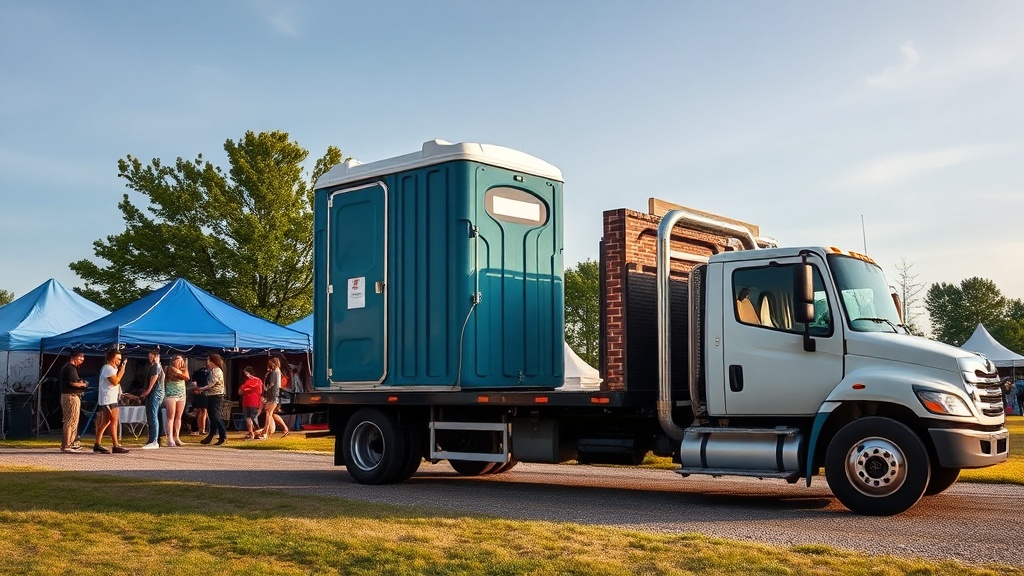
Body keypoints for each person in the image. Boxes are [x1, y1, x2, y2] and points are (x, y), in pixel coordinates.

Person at [94, 348, 129, 454]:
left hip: (111, 398)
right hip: (109, 399)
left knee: (107, 421)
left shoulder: (109, 369)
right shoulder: (108, 369)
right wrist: (123, 369)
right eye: (118, 359)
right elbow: (115, 381)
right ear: (113, 358)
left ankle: (97, 443)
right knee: (113, 422)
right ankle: (115, 445)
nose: (119, 362)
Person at [58, 350, 88, 453]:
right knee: (70, 421)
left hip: (70, 396)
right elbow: (74, 383)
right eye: (80, 357)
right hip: (70, 396)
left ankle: (70, 443)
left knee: (73, 421)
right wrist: (84, 384)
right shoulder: (70, 368)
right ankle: (67, 445)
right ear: (74, 358)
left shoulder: (71, 368)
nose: (82, 360)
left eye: (83, 358)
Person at [197, 353, 228, 445]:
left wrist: (200, 389)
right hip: (211, 395)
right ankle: (211, 435)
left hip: (216, 396)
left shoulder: (216, 371)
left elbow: (211, 384)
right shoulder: (213, 370)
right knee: (212, 416)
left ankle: (223, 435)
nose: (207, 362)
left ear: (212, 361)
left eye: (208, 360)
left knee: (215, 416)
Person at [139, 347, 166, 449]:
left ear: (156, 357)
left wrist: (148, 391)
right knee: (152, 415)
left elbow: (154, 378)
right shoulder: (156, 366)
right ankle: (152, 440)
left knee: (153, 415)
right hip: (155, 393)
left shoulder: (156, 366)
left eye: (151, 356)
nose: (150, 358)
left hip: (155, 393)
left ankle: (154, 440)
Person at [257, 357, 289, 439]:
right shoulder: (278, 372)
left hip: (272, 396)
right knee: (272, 413)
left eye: (270, 363)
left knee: (269, 413)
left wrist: (266, 389)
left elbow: (271, 384)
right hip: (275, 395)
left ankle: (266, 432)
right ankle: (277, 429)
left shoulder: (274, 373)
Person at [164, 355, 190, 447]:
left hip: (181, 394)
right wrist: (185, 368)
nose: (180, 363)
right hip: (171, 395)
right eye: (178, 361)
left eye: (181, 361)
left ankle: (177, 437)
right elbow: (186, 377)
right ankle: (170, 437)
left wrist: (185, 367)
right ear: (173, 361)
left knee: (179, 416)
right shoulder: (171, 368)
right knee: (171, 416)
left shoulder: (182, 370)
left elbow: (187, 377)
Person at [238, 366, 264, 440]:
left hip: (254, 401)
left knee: (253, 417)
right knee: (247, 417)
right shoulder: (246, 381)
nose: (246, 375)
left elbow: (259, 391)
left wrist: (245, 389)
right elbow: (240, 391)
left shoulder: (257, 380)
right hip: (246, 401)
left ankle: (258, 431)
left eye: (247, 373)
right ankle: (251, 432)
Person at [190, 363, 209, 435]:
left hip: (198, 392)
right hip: (205, 392)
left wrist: (196, 390)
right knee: (204, 411)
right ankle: (203, 429)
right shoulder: (209, 373)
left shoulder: (196, 372)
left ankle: (200, 428)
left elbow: (194, 384)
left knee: (200, 411)